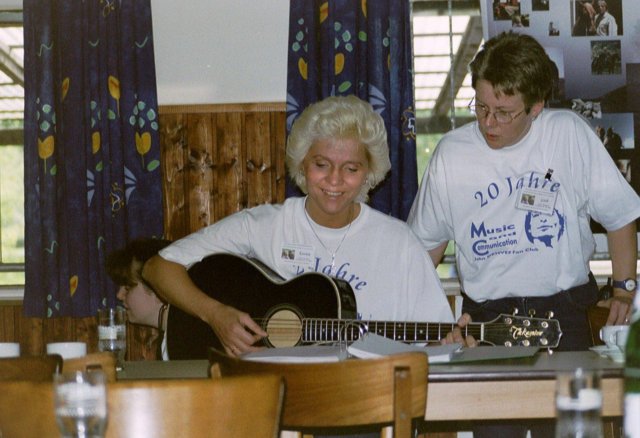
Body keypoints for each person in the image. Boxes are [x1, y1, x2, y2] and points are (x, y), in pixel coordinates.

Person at [407, 31, 640, 436]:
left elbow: (620, 215)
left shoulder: (567, 133)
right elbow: (422, 255)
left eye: (503, 112)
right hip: (487, 329)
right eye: (481, 107)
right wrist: (434, 324)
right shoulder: (451, 154)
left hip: (565, 318)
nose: (487, 122)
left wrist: (623, 289)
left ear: (535, 108)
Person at [142, 95, 455, 359]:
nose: (334, 180)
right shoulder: (264, 226)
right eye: (321, 165)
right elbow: (158, 268)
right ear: (302, 164)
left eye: (351, 168)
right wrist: (215, 315)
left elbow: (436, 339)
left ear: (369, 173)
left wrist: (450, 343)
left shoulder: (400, 244)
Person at [107, 237, 225, 360]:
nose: (119, 295)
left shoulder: (194, 338)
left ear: (158, 288)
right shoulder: (170, 338)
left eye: (128, 288)